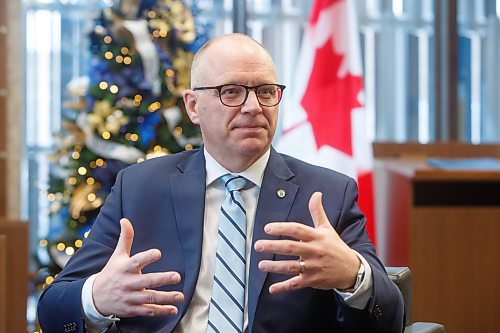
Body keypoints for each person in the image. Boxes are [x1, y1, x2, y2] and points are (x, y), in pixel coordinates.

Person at [38, 33, 404, 333]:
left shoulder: (325, 194)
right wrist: (97, 297)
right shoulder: (139, 188)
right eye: (231, 91)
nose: (253, 107)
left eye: (265, 91)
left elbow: (391, 318)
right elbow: (54, 308)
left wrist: (353, 276)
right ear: (193, 106)